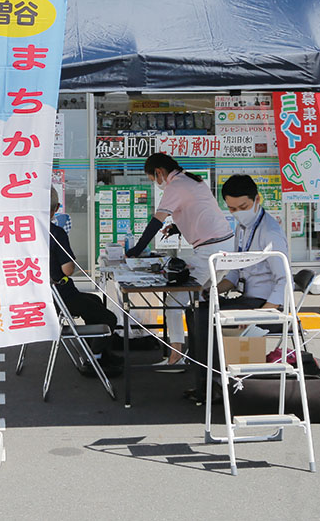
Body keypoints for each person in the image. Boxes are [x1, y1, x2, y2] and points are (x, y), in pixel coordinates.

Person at [186, 174, 291, 402]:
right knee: (195, 309)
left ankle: (215, 383)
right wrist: (212, 288)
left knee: (206, 318)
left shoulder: (269, 232)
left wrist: (262, 313)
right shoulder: (243, 227)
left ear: (257, 199)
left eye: (243, 207)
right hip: (247, 297)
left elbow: (285, 280)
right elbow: (235, 271)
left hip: (265, 304)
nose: (238, 212)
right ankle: (201, 376)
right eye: (232, 209)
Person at [125, 153, 234, 371]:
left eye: (153, 179)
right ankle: (201, 355)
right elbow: (200, 212)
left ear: (159, 172)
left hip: (210, 251)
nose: (156, 183)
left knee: (175, 300)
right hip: (224, 245)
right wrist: (176, 227)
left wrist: (136, 250)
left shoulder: (175, 186)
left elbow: (156, 221)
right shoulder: (192, 180)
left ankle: (177, 356)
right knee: (199, 299)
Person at [48, 188, 123, 377]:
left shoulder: (27, 234)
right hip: (62, 296)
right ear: (56, 208)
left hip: (44, 298)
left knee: (95, 301)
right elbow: (67, 270)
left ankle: (98, 351)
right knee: (109, 318)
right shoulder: (56, 233)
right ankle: (94, 358)